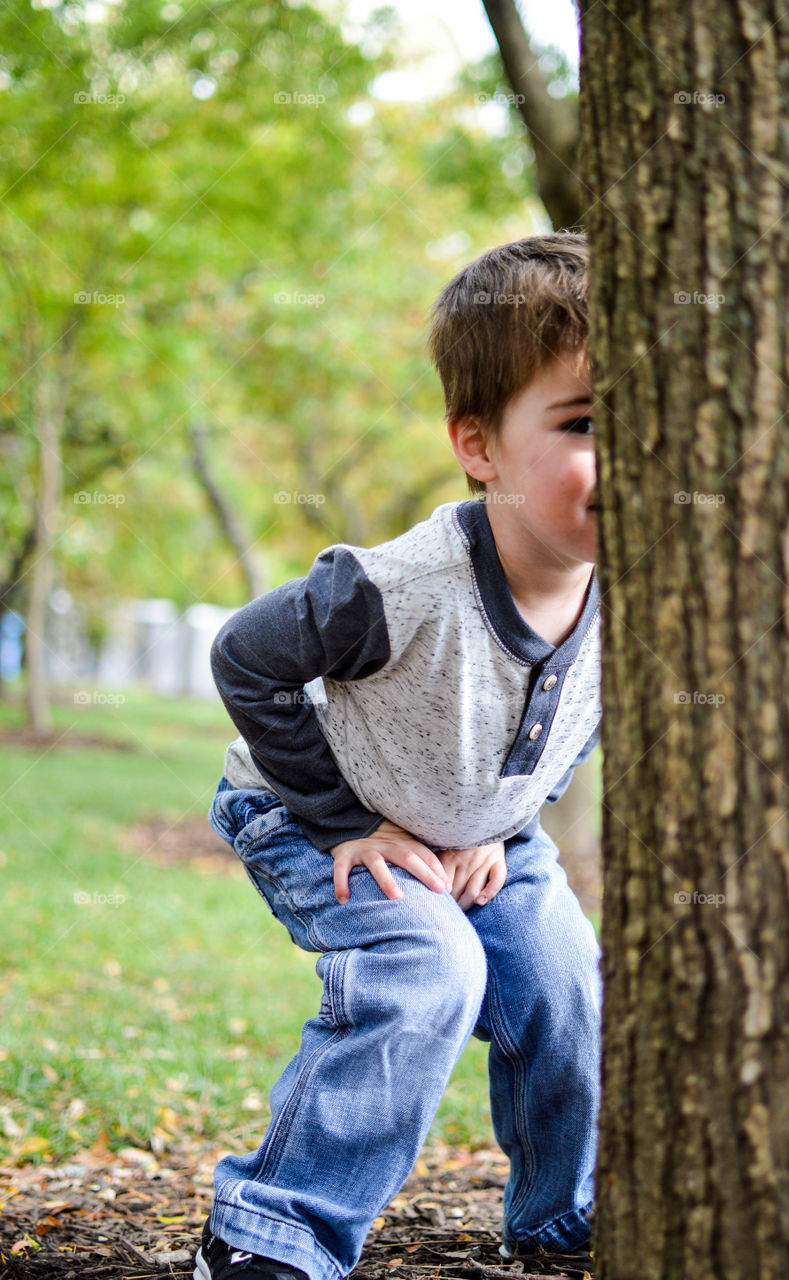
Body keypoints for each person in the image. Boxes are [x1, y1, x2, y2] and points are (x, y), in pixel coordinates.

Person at [194, 231, 603, 1280]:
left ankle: (565, 1215)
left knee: (566, 983)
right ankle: (273, 1230)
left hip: (479, 838)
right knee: (429, 967)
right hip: (312, 812)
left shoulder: (643, 589)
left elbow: (570, 723)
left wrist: (506, 827)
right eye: (586, 423)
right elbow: (247, 655)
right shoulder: (404, 586)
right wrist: (347, 821)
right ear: (478, 445)